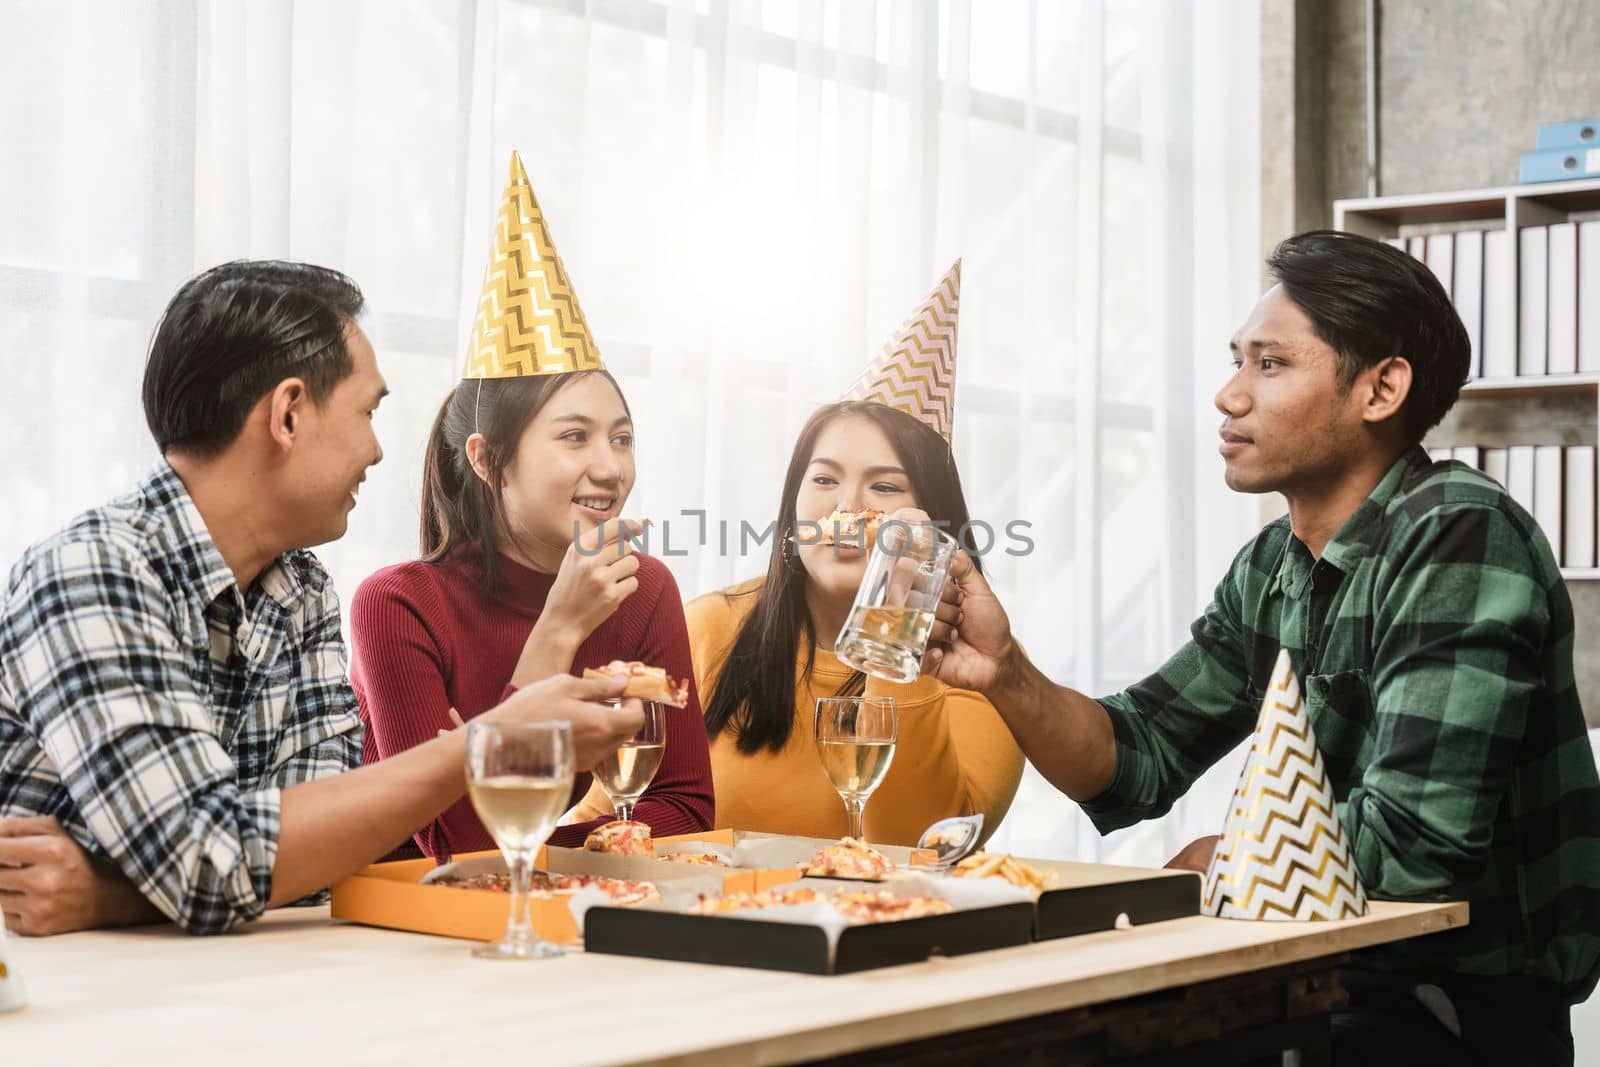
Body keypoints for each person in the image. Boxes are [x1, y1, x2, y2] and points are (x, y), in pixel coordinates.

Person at [921, 231, 1599, 1062]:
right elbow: (1136, 756)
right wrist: (1005, 671)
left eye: (1269, 364)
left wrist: (1223, 856)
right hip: (1307, 978)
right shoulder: (1272, 565)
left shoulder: (1460, 531)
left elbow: (1419, 844)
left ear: (1382, 387)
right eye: (1236, 361)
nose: (1227, 395)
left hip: (1448, 1012)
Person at [0, 260, 639, 936]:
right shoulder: (92, 572)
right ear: (288, 413)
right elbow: (212, 865)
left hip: (236, 991)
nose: (378, 449)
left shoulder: (299, 590)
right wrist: (490, 741)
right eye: (367, 411)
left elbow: (320, 860)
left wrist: (108, 893)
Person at [350, 152, 713, 858]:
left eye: (622, 437)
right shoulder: (397, 605)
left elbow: (688, 808)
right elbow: (459, 848)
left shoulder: (643, 592)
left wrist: (550, 830)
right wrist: (558, 630)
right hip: (409, 936)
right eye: (573, 437)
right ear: (488, 459)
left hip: (562, 924)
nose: (608, 467)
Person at [689, 262, 1023, 845]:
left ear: (934, 520)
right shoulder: (707, 627)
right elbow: (618, 820)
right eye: (823, 481)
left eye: (886, 487)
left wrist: (901, 627)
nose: (848, 509)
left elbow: (917, 847)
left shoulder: (985, 669)